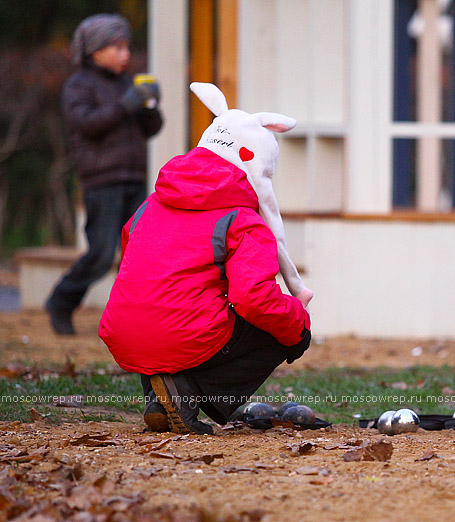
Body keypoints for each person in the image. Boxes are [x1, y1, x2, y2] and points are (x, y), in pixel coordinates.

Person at [98, 145, 312, 435]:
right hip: (182, 334)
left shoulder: (148, 206)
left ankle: (160, 401)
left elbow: (137, 271)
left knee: (162, 311)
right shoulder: (241, 219)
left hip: (122, 331)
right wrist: (298, 319)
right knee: (286, 332)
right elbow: (255, 298)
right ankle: (187, 391)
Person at [45, 14, 163, 335]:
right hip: (102, 182)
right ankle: (61, 301)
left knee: (140, 253)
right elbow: (86, 124)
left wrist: (150, 105)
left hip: (134, 180)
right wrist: (127, 104)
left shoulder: (128, 84)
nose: (126, 54)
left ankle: (136, 319)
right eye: (117, 47)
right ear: (95, 51)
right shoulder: (78, 86)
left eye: (127, 47)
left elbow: (151, 129)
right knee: (100, 254)